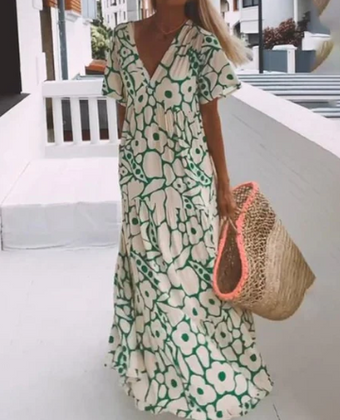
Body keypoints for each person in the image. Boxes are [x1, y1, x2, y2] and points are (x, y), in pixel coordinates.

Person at [102, 0, 273, 418]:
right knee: (150, 276)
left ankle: (207, 370)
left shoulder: (202, 45)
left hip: (189, 181)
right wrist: (143, 158)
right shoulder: (121, 39)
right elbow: (124, 113)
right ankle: (161, 371)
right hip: (141, 181)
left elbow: (210, 120)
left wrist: (223, 185)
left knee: (193, 277)